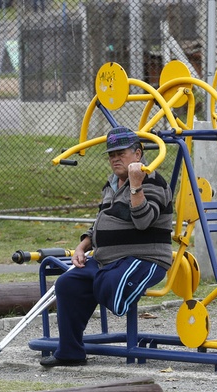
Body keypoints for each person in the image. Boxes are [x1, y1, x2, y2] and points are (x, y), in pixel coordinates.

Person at [40, 126, 174, 367]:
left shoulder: (153, 180)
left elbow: (143, 222)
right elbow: (100, 223)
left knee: (110, 282)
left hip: (145, 258)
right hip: (107, 259)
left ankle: (117, 296)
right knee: (67, 283)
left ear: (137, 153)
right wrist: (82, 246)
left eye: (121, 153)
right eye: (111, 155)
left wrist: (135, 185)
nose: (115, 159)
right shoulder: (110, 185)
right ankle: (70, 352)